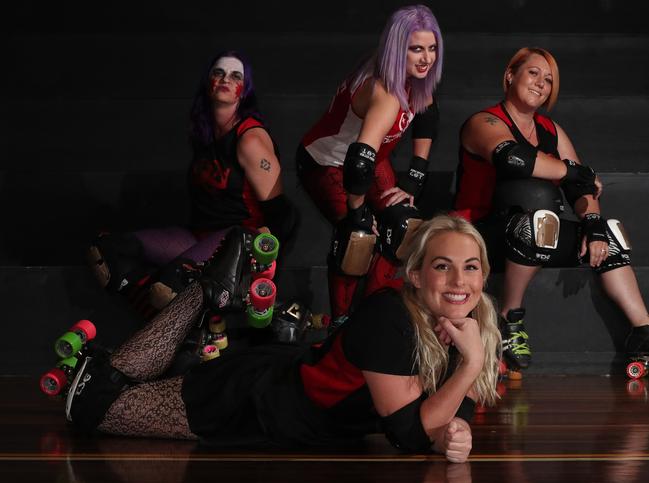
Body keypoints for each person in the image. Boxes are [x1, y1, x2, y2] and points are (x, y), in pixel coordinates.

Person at [63, 215, 501, 463]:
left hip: (287, 389)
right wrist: (471, 366)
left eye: (471, 266)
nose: (459, 280)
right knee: (93, 407)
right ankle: (203, 292)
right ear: (417, 274)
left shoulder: (475, 324)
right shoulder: (391, 316)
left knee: (114, 385)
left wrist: (450, 434)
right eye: (443, 266)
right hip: (258, 403)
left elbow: (443, 413)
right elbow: (406, 435)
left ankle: (197, 309)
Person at [453, 47, 649, 371]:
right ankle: (509, 318)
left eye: (548, 80)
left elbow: (580, 187)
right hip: (477, 231)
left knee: (610, 235)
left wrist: (593, 224)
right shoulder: (484, 121)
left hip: (536, 230)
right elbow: (511, 159)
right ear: (510, 75)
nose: (541, 83)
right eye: (533, 73)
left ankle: (643, 332)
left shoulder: (550, 130)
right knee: (535, 194)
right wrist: (575, 172)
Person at [88, 50, 298, 310]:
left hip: (237, 240)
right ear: (207, 83)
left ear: (244, 91)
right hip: (200, 236)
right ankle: (160, 306)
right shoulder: (205, 132)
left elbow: (284, 215)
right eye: (218, 73)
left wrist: (264, 267)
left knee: (171, 285)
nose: (225, 80)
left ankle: (182, 322)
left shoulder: (250, 139)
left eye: (235, 76)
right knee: (109, 251)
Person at [296, 5, 442, 326]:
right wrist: (358, 211)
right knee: (358, 237)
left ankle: (377, 315)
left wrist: (414, 178)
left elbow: (428, 115)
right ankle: (342, 327)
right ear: (396, 48)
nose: (426, 58)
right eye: (416, 49)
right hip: (326, 163)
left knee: (404, 227)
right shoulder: (386, 92)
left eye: (431, 48)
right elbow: (358, 162)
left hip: (370, 161)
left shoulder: (414, 77)